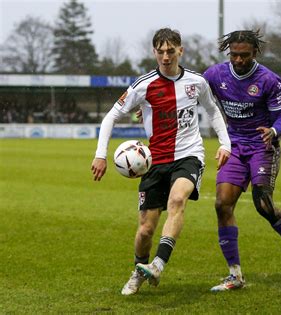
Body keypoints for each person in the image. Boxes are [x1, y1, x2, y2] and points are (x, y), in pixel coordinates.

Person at [90, 28, 231, 295]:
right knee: (145, 230)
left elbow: (213, 111)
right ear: (154, 52)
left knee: (178, 200)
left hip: (189, 155)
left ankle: (158, 264)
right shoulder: (143, 85)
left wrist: (226, 144)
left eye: (171, 50)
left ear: (181, 50)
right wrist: (100, 154)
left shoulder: (197, 82)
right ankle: (139, 269)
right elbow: (110, 117)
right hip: (155, 161)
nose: (166, 56)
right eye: (160, 51)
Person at [203, 30, 281, 291]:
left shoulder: (269, 80)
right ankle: (235, 275)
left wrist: (273, 131)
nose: (239, 60)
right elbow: (193, 93)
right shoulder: (214, 75)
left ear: (254, 53)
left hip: (262, 146)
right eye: (234, 55)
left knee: (263, 205)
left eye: (244, 55)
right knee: (222, 205)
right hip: (234, 146)